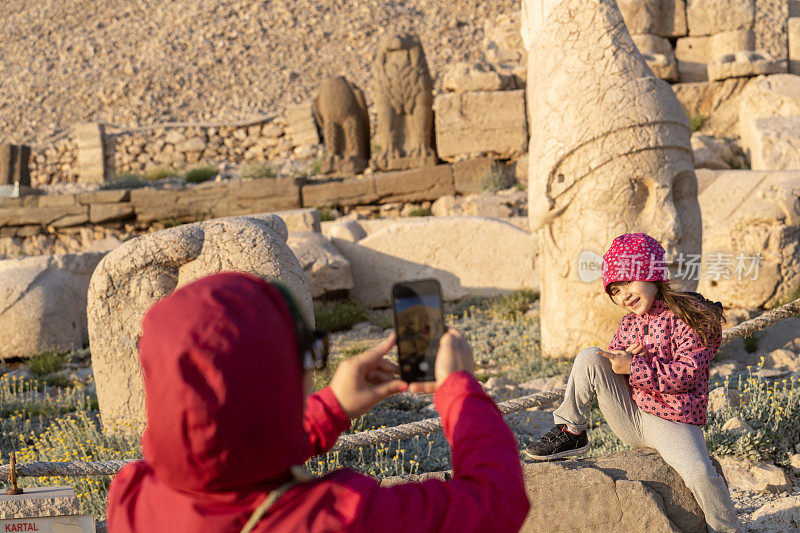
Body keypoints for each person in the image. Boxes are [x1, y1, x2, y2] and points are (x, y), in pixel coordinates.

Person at [107, 272, 530, 532]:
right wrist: (459, 387)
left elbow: (222, 453)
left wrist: (330, 411)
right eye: (307, 355)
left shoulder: (131, 497)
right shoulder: (342, 518)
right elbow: (496, 500)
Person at [523, 233, 742, 533]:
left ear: (651, 273)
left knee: (701, 474)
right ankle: (571, 430)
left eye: (628, 282)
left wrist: (635, 366)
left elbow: (688, 374)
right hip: (630, 416)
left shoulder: (688, 318)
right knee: (591, 356)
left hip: (672, 421)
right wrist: (620, 360)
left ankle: (728, 528)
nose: (623, 295)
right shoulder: (629, 323)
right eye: (615, 290)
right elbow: (614, 365)